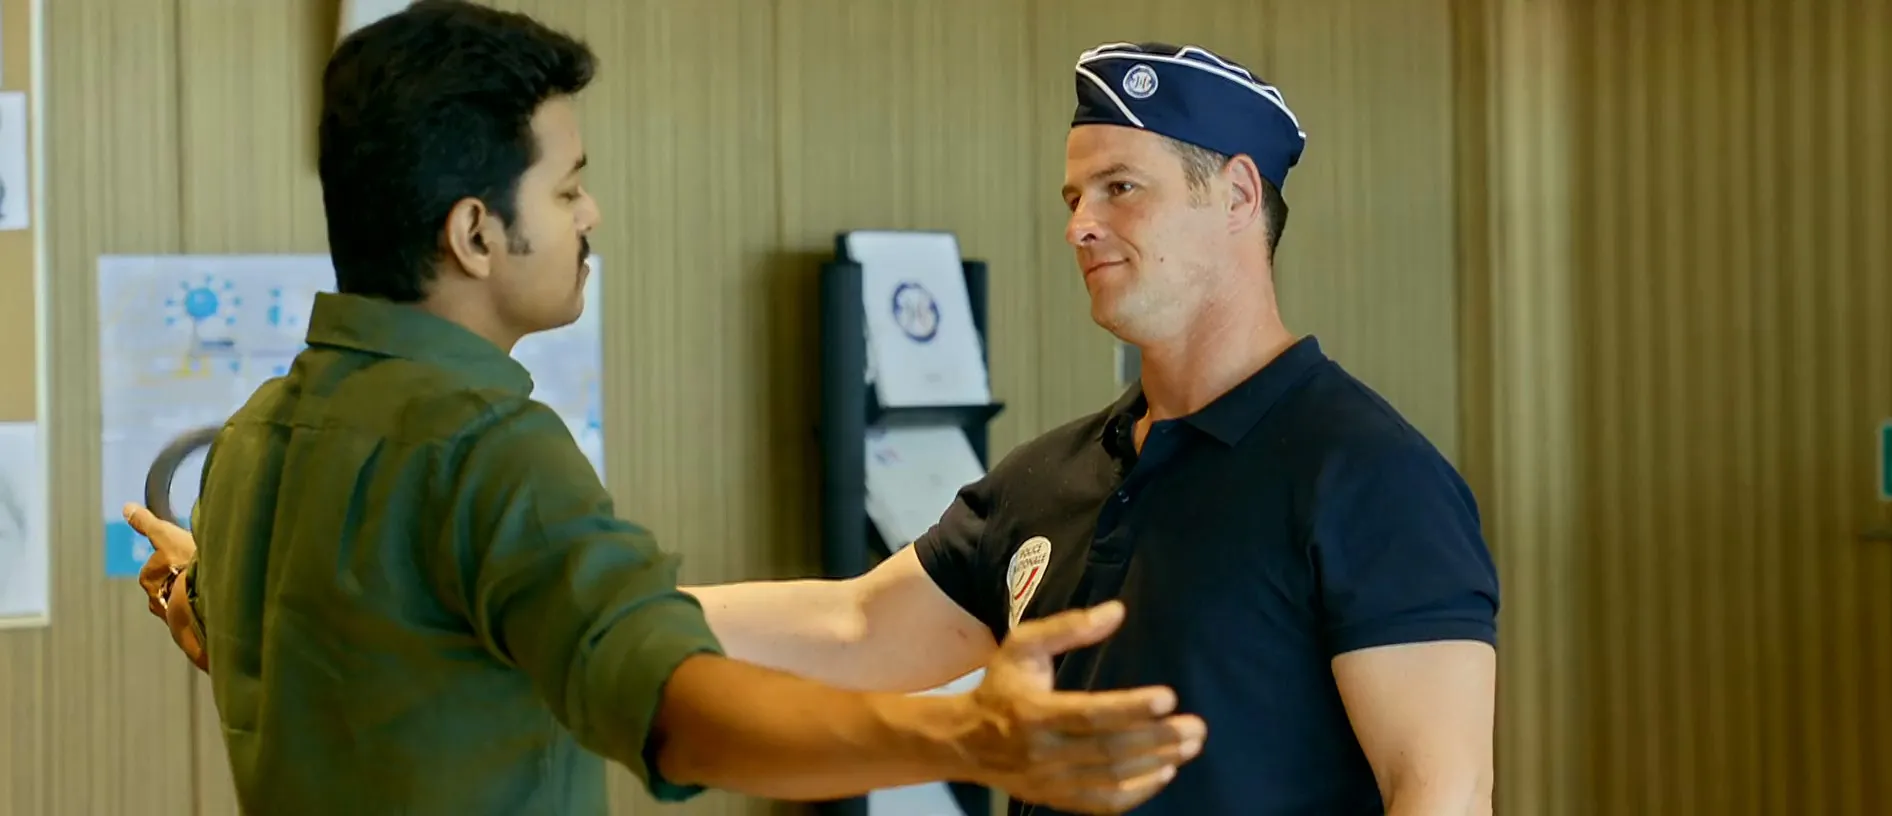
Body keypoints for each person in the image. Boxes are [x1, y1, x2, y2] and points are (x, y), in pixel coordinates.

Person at [137, 33, 1495, 816]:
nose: (1081, 224)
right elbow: (857, 628)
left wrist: (554, 608)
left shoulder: (1365, 475)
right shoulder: (1061, 474)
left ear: (1239, 196)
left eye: (1122, 189)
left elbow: (1440, 793)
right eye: (1072, 195)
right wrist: (547, 606)